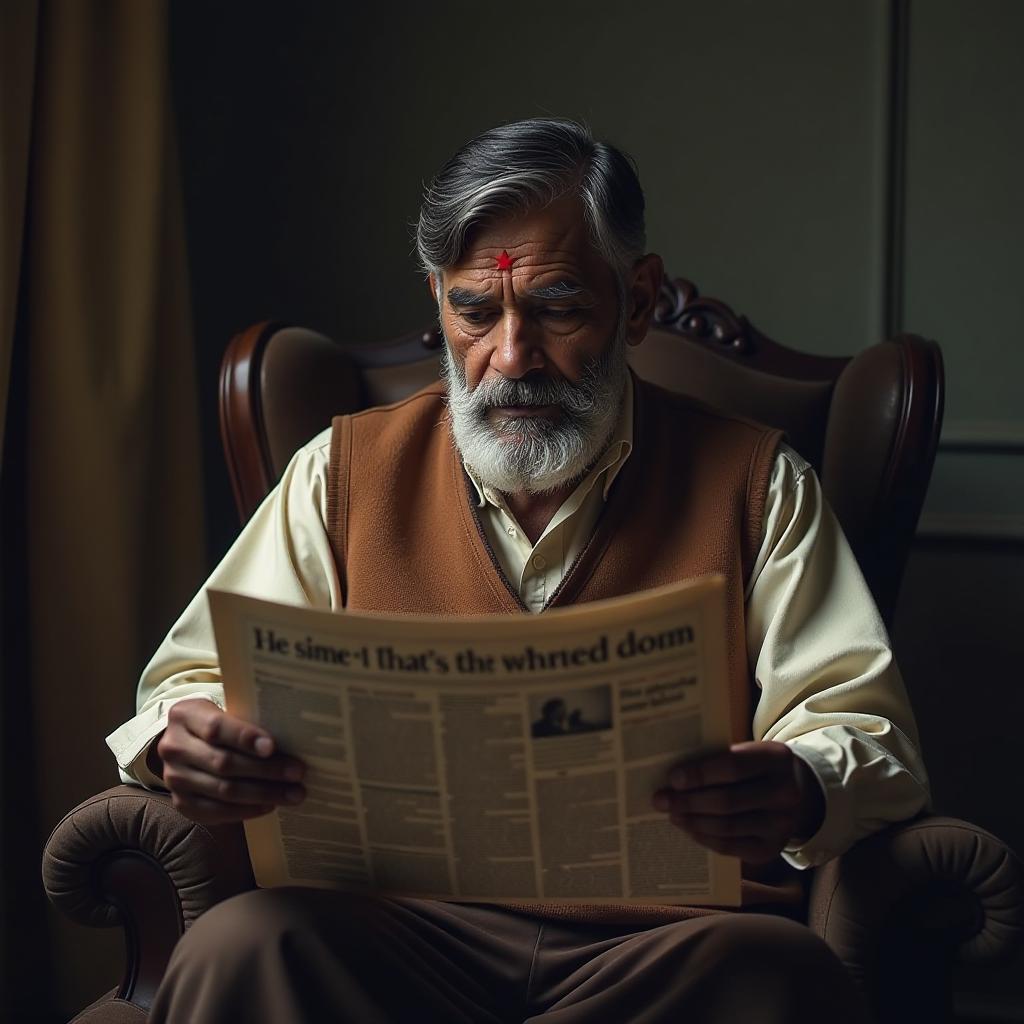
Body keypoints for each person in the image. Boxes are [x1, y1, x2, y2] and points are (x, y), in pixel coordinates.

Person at [106, 118, 930, 1023]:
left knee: (775, 976)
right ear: (438, 299)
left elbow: (864, 727)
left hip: (668, 946)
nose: (510, 356)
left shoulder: (759, 483)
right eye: (474, 309)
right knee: (241, 946)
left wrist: (801, 783)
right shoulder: (340, 472)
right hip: (392, 936)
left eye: (558, 306)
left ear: (640, 299)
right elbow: (187, 683)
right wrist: (183, 741)